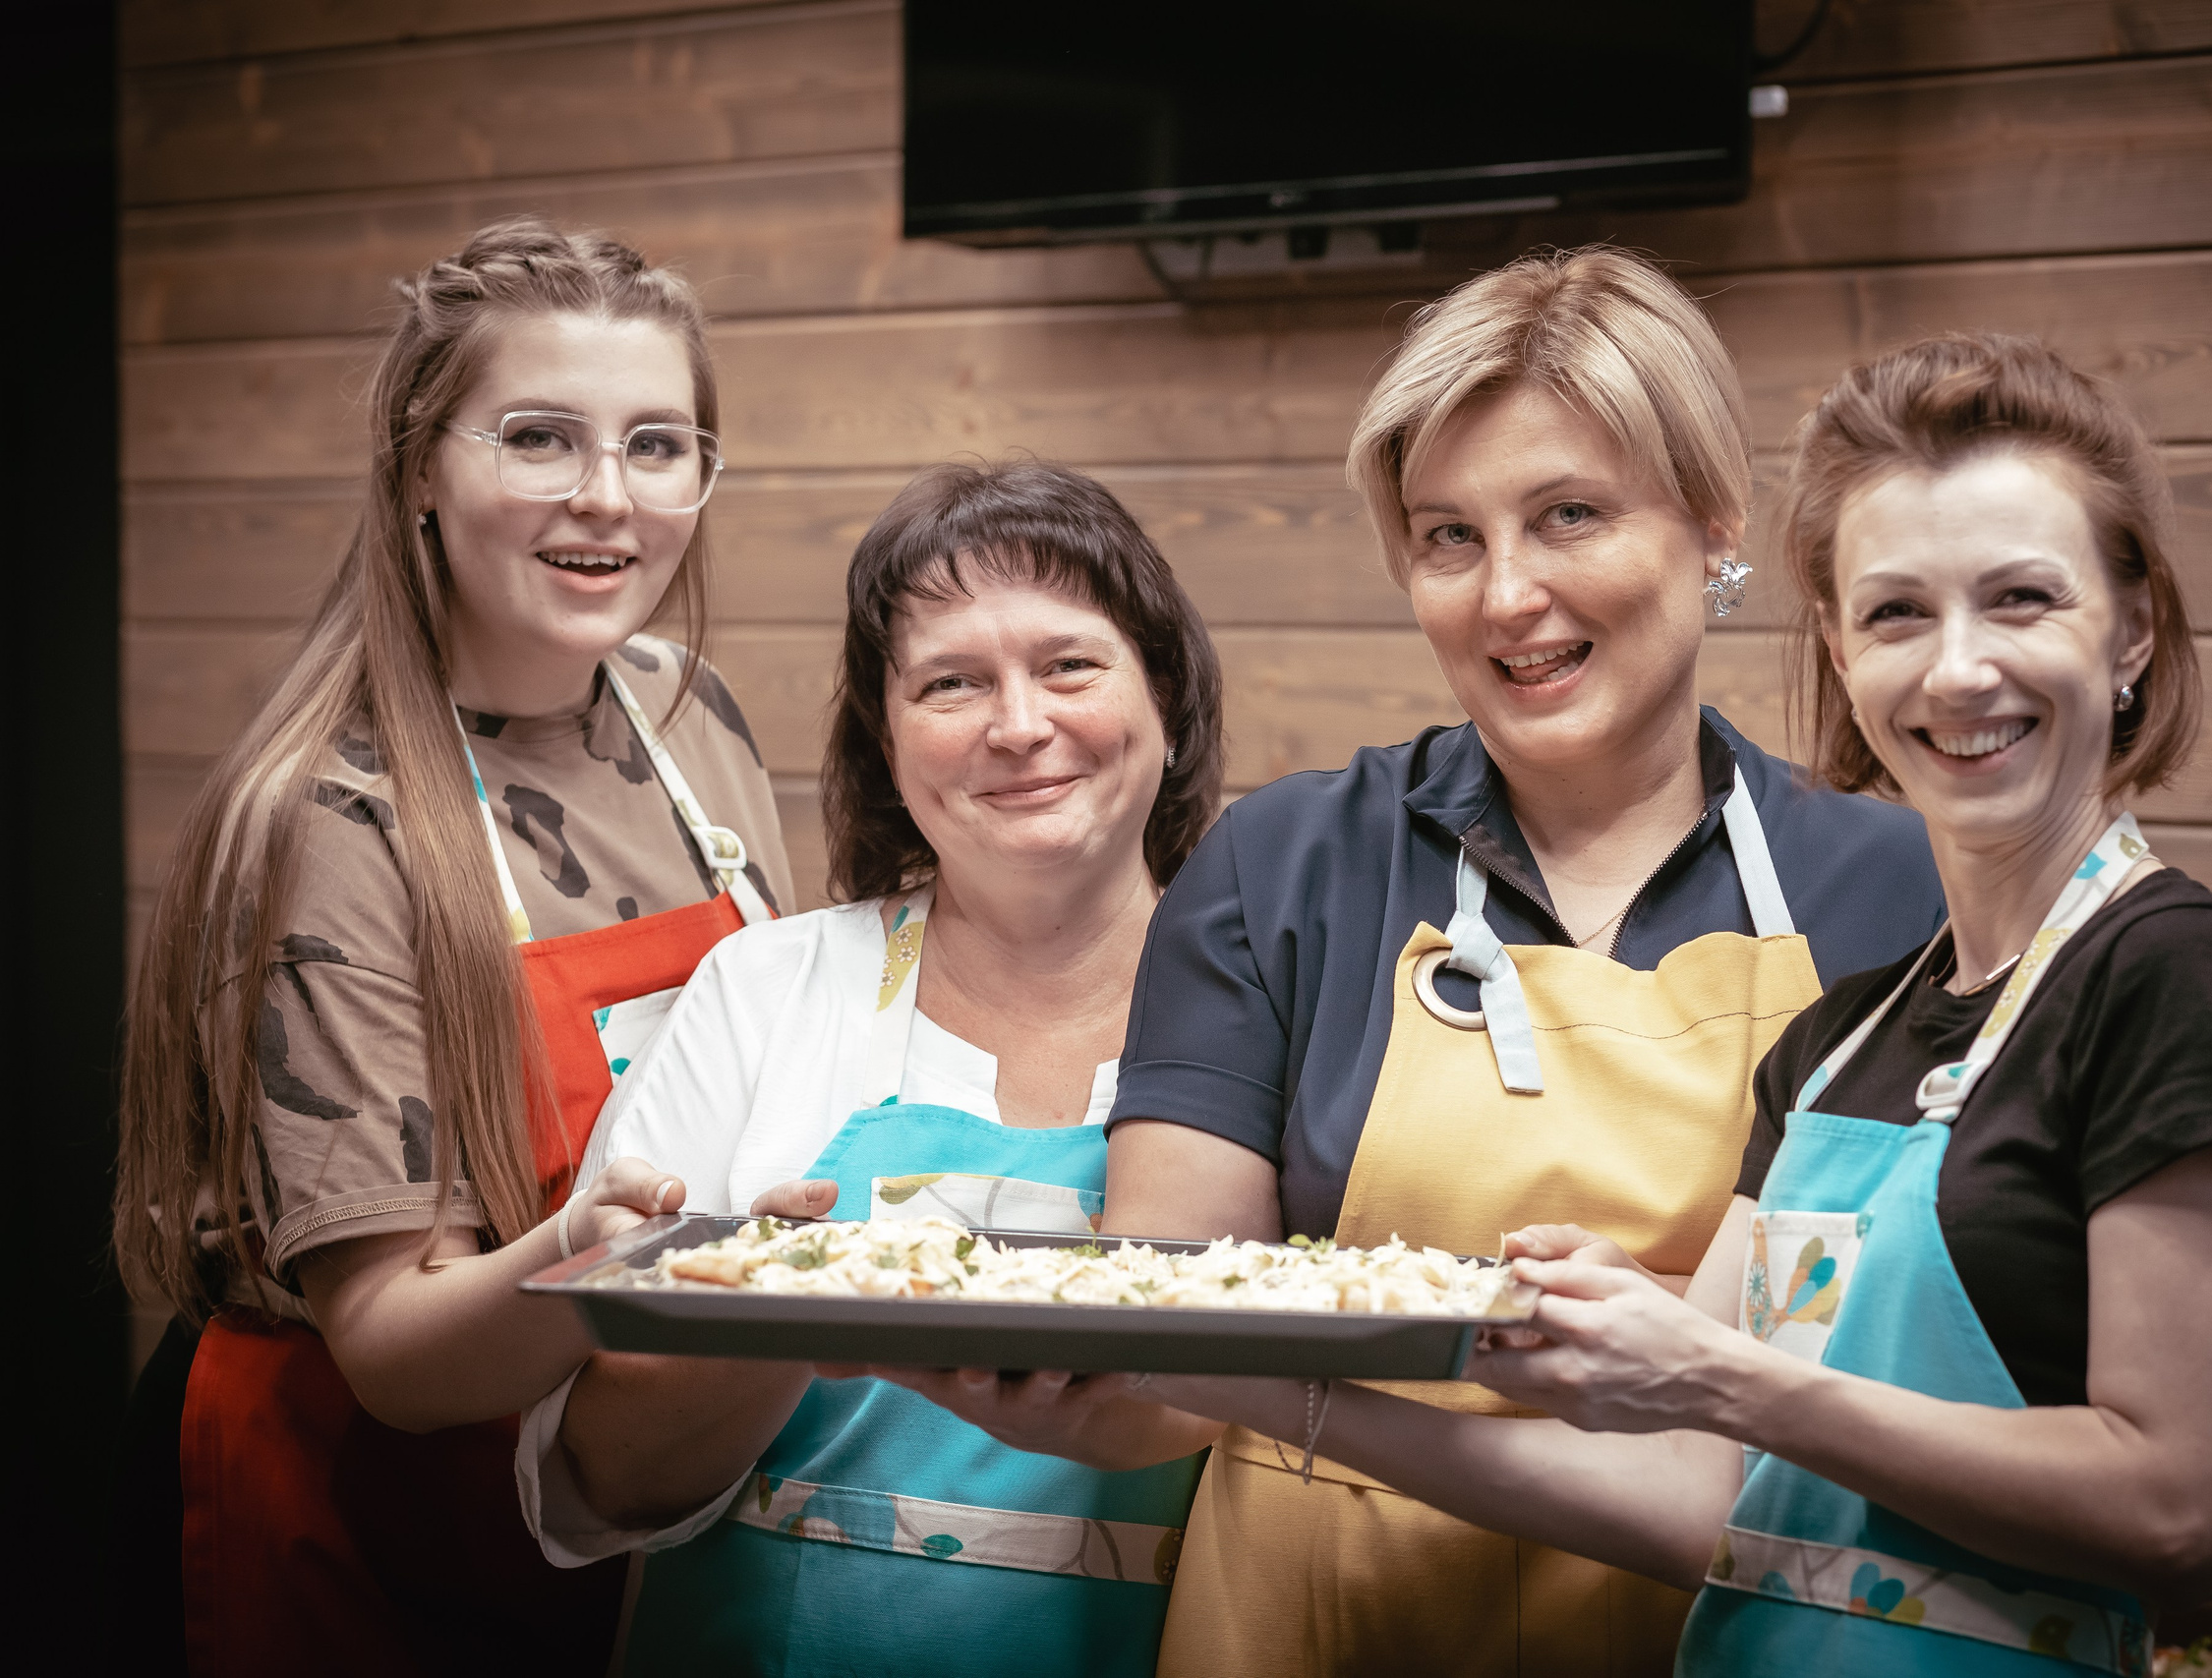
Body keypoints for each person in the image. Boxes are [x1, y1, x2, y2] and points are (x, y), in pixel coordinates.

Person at [1145, 332, 2212, 1678]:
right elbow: (1694, 1493)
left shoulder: (2176, 973)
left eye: (2020, 600)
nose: (1954, 670)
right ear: (1834, 642)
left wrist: (1721, 1374)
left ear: (2135, 628)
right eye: (1894, 613)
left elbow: (2174, 1510)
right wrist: (1279, 1391)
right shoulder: (1843, 1038)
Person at [901, 248, 1946, 1675]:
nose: (1508, 592)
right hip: (1306, 1623)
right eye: (1448, 535)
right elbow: (1175, 1346)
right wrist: (1055, 1381)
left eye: (1568, 514)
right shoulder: (1283, 867)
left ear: (1714, 523)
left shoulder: (1897, 892)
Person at [112, 216, 792, 1677]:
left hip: (637, 1490)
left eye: (658, 444)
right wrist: (594, 1259)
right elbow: (399, 1352)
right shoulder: (327, 817)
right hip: (388, 1533)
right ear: (423, 464)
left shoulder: (690, 714)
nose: (607, 499)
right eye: (539, 437)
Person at [516, 462, 1227, 1677]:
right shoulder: (766, 993)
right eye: (950, 683)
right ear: (885, 742)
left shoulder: (1275, 1012)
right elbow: (592, 1489)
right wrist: (777, 1319)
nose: (1016, 725)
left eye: (1069, 664)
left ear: (1164, 697)